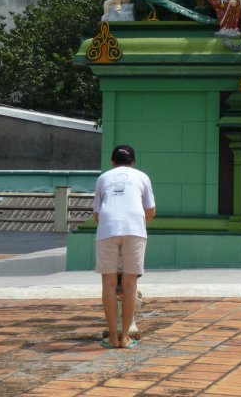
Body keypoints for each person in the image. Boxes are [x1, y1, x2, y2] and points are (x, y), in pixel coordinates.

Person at [93, 145, 155, 349]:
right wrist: (135, 226)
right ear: (133, 163)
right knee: (130, 285)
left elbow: (97, 215)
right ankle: (126, 337)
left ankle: (112, 337)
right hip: (134, 228)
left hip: (108, 228)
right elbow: (151, 211)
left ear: (112, 162)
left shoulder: (103, 178)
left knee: (109, 284)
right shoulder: (142, 177)